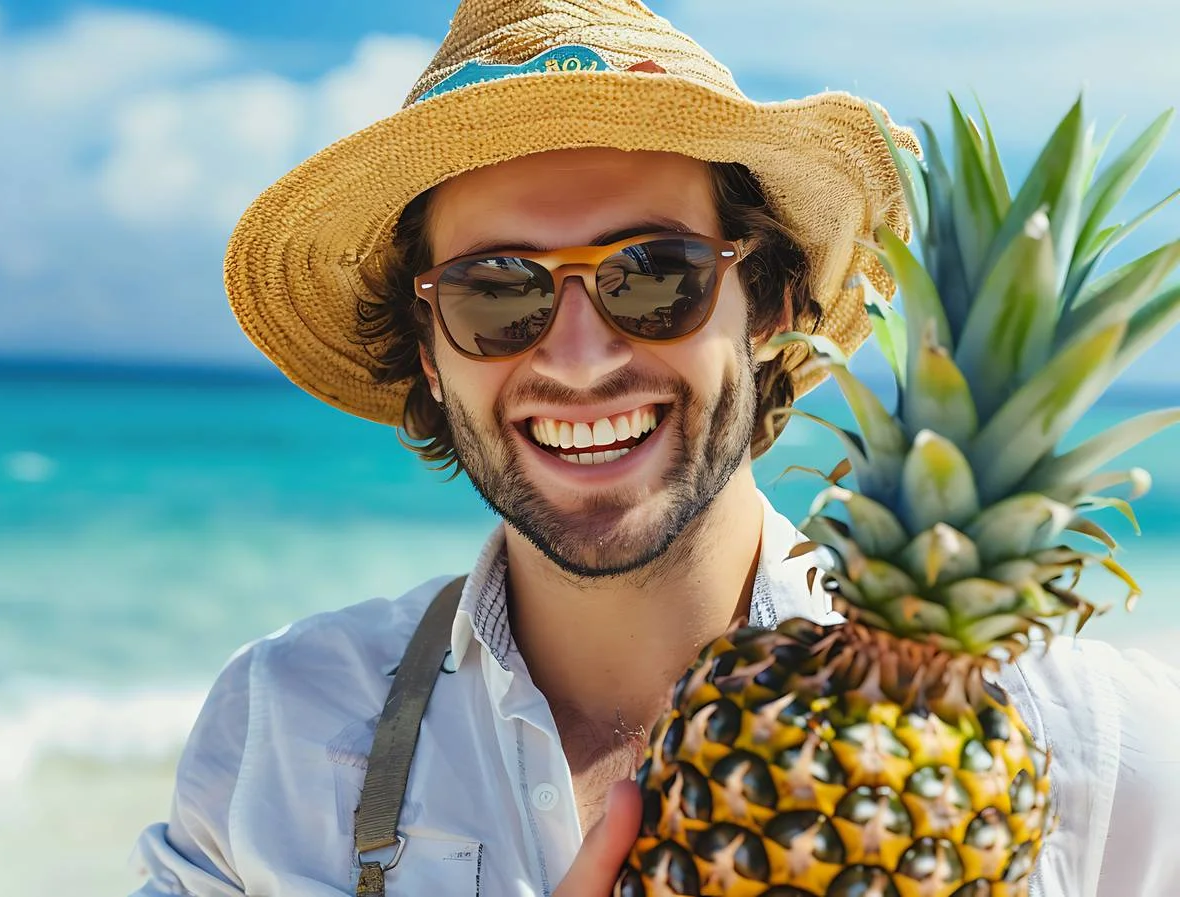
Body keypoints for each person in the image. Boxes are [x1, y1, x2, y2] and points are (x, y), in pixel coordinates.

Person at [130, 1, 1180, 894]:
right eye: (497, 292)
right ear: (427, 348)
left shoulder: (1092, 747)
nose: (581, 358)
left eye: (654, 274)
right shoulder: (282, 733)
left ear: (765, 302)